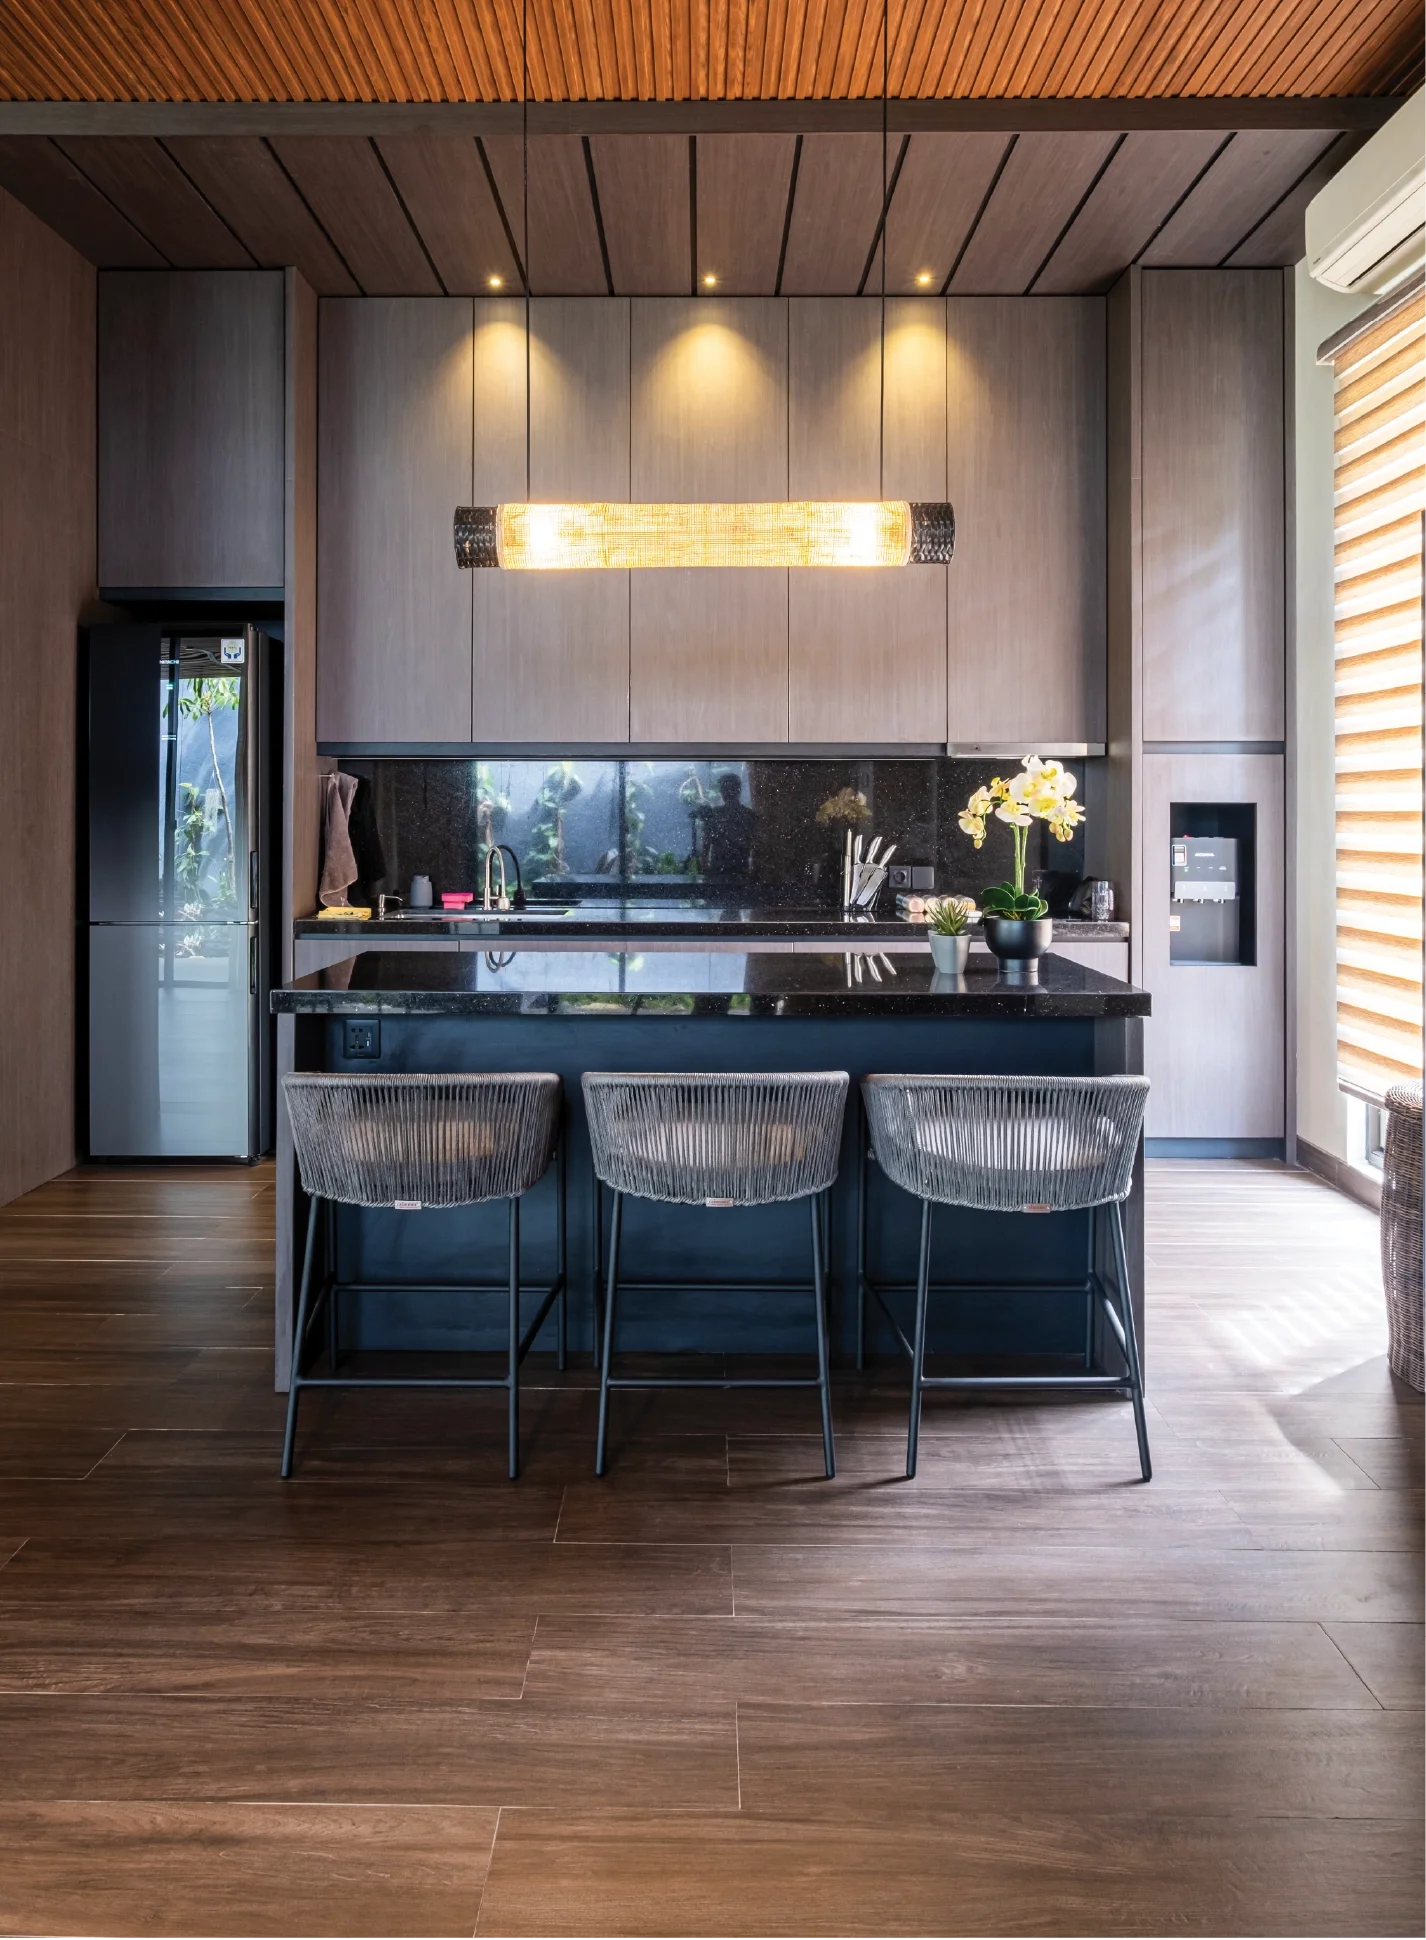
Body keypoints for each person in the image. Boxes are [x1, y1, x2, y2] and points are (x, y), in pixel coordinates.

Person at [690, 772, 758, 880]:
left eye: (727, 789)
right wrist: (753, 871)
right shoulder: (749, 815)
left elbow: (706, 845)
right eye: (724, 789)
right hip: (737, 871)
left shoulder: (716, 814)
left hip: (723, 871)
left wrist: (704, 866)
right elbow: (756, 847)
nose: (725, 792)